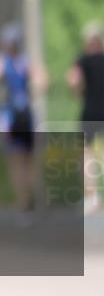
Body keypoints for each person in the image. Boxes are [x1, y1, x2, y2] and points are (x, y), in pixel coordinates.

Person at [0, 22, 48, 213]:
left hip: (8, 117)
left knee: (15, 160)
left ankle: (23, 199)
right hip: (27, 114)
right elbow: (43, 83)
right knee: (30, 158)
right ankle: (34, 195)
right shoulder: (27, 62)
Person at [66, 21, 104, 215]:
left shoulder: (84, 60)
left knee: (87, 154)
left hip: (90, 112)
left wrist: (78, 91)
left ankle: (92, 196)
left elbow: (73, 79)